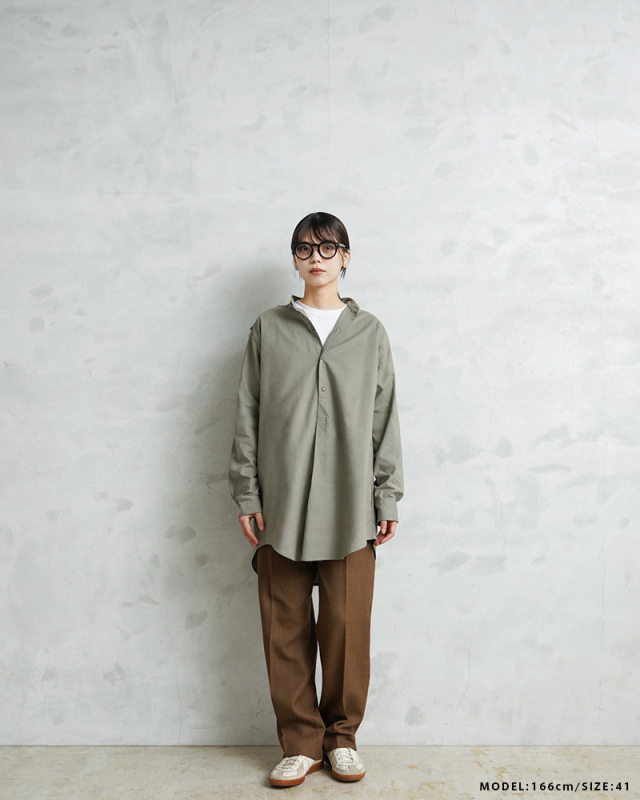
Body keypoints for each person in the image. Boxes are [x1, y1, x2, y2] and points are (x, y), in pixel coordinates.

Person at [228, 211, 404, 788]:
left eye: (328, 248)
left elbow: (383, 418)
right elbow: (248, 413)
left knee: (347, 628)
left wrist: (387, 497)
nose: (316, 258)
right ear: (295, 258)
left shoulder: (369, 332)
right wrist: (247, 492)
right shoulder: (268, 328)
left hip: (351, 504)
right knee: (284, 627)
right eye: (305, 248)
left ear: (346, 257)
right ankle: (300, 744)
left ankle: (341, 739)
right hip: (280, 504)